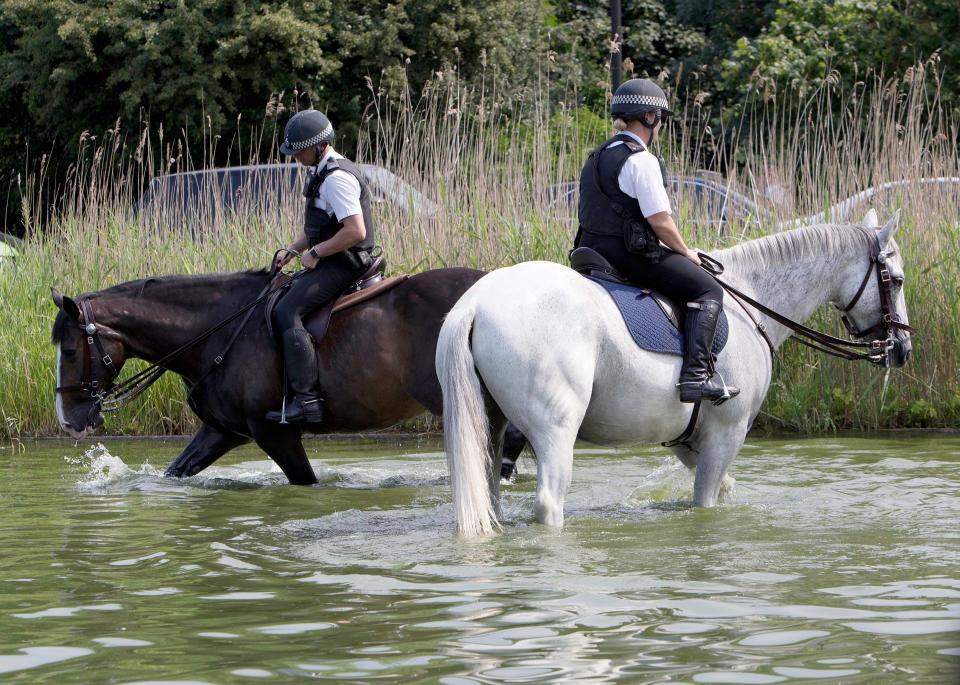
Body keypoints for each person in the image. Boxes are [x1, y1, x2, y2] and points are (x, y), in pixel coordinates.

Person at [575, 79, 739, 404]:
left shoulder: (597, 156)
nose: (660, 125)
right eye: (659, 118)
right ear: (649, 117)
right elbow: (660, 221)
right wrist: (686, 252)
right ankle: (696, 377)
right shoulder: (641, 159)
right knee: (708, 289)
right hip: (628, 255)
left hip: (590, 252)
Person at [266, 109, 377, 423]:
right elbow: (320, 226)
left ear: (318, 146)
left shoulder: (337, 179)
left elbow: (355, 231)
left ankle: (307, 401)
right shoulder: (322, 171)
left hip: (345, 263)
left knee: (287, 311)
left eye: (299, 150)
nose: (296, 156)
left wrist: (316, 252)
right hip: (333, 258)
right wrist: (293, 249)